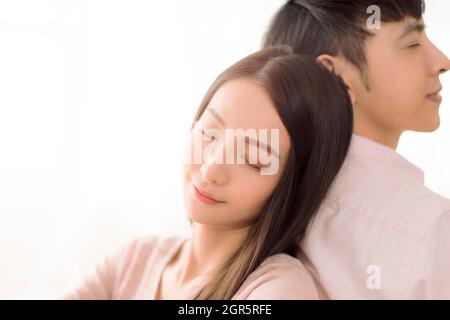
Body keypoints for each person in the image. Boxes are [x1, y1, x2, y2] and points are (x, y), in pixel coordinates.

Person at [64, 46, 353, 300]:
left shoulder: (279, 288)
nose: (211, 168)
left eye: (252, 160)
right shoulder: (136, 259)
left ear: (294, 186)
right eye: (209, 134)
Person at [263, 0, 450, 299]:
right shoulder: (431, 228)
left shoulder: (264, 206)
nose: (442, 61)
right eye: (412, 43)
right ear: (333, 76)